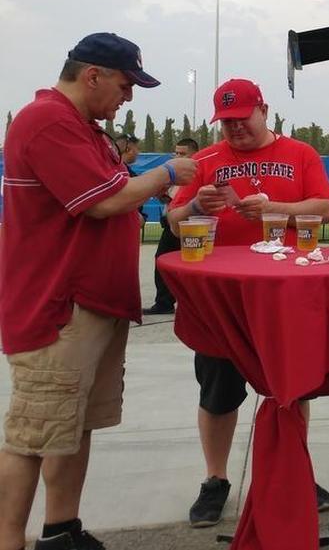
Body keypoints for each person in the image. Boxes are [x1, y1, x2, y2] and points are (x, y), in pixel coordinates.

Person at [0, 32, 197, 550]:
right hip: (58, 307)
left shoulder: (84, 128)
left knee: (72, 426)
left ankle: (61, 529)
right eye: (126, 84)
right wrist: (167, 173)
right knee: (33, 435)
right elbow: (102, 202)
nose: (128, 97)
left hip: (92, 303)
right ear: (93, 75)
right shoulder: (46, 121)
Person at [167, 78, 329, 527]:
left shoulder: (300, 153)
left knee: (292, 387)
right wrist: (196, 208)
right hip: (220, 297)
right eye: (225, 122)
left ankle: (295, 471)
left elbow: (325, 208)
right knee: (218, 391)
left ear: (264, 109)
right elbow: (173, 219)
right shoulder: (205, 160)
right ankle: (215, 479)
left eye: (242, 118)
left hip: (285, 293)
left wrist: (272, 209)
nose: (234, 129)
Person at [145, 138, 199, 315]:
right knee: (162, 261)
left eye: (182, 153)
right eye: (176, 152)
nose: (177, 156)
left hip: (190, 225)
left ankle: (191, 304)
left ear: (194, 155)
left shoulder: (198, 173)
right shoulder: (174, 175)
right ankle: (164, 302)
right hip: (171, 224)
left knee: (192, 267)